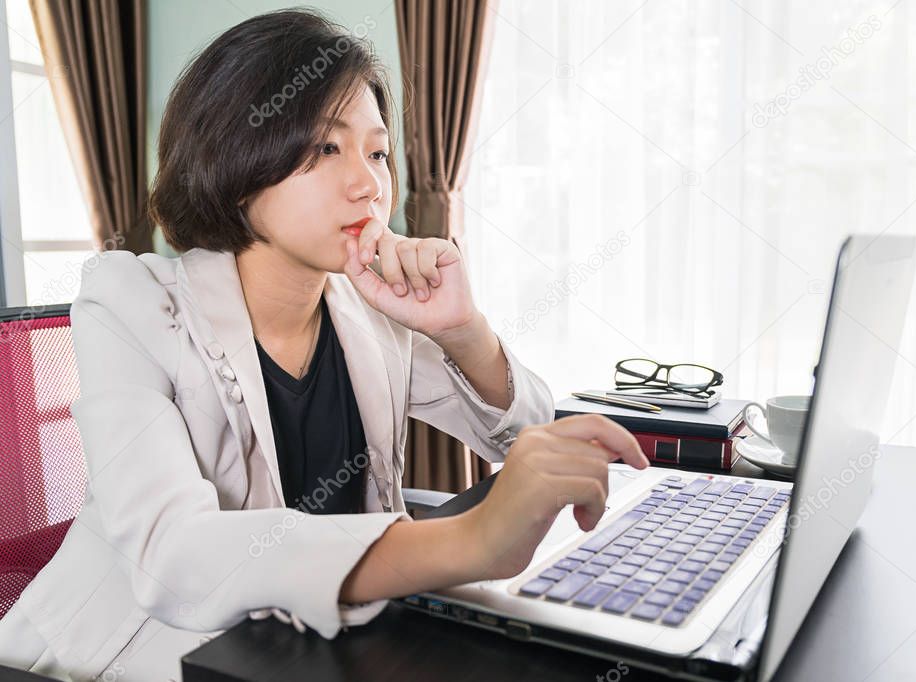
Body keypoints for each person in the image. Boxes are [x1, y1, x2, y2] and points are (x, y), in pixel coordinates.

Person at [0, 9, 648, 681]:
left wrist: (461, 329)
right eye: (325, 148)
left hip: (301, 651)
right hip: (117, 659)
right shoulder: (130, 301)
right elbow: (171, 556)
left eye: (376, 151)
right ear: (234, 156)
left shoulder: (367, 312)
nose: (368, 183)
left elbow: (524, 442)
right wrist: (467, 541)